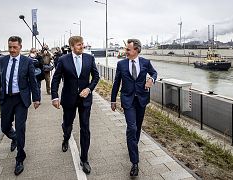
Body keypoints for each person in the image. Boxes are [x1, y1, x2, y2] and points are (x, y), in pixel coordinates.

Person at [51, 36, 99, 175]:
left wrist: (89, 88)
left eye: (82, 44)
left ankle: (84, 159)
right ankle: (66, 137)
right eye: (79, 45)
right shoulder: (63, 60)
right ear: (72, 47)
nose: (82, 46)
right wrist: (55, 97)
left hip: (85, 99)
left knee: (85, 128)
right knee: (68, 123)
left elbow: (96, 77)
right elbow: (56, 79)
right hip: (68, 99)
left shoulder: (89, 59)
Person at [110, 39, 157, 177]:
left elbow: (154, 73)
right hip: (128, 100)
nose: (126, 51)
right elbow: (116, 82)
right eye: (126, 49)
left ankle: (132, 145)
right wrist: (113, 100)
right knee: (132, 127)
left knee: (137, 127)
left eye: (128, 49)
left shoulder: (145, 63)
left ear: (136, 50)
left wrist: (151, 80)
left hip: (141, 100)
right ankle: (135, 162)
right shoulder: (121, 64)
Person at [0, 36, 40, 175]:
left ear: (20, 47)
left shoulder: (27, 62)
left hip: (21, 100)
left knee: (21, 128)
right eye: (10, 47)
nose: (12, 50)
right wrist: (0, 91)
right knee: (4, 127)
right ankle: (13, 137)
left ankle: (20, 158)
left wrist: (36, 98)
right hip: (6, 99)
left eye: (15, 47)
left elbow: (33, 80)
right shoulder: (2, 60)